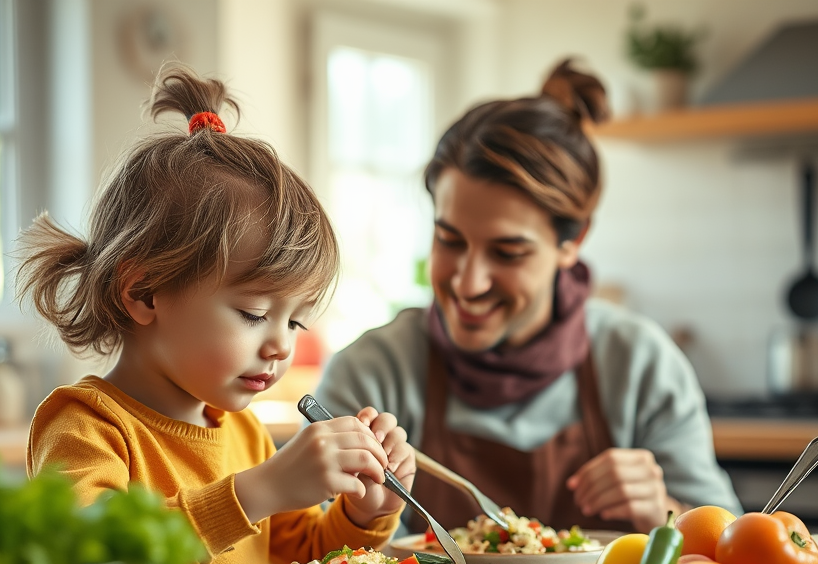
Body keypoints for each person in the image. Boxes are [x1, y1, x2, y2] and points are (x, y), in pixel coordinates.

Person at [18, 64, 414, 564]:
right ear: (145, 292)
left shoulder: (245, 435)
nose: (281, 345)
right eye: (253, 314)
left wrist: (364, 512)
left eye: (295, 321)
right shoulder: (87, 429)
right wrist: (259, 492)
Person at [315, 59, 740, 536]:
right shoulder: (373, 373)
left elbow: (731, 545)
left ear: (571, 243)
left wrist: (664, 510)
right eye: (450, 241)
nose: (468, 282)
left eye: (508, 252)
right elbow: (300, 553)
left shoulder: (641, 364)